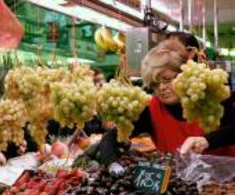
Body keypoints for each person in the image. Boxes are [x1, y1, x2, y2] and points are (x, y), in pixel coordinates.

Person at [97, 39, 235, 166]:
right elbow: (110, 137)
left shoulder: (212, 97)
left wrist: (207, 140)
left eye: (167, 79)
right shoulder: (151, 109)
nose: (161, 88)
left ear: (184, 74)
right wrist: (112, 163)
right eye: (155, 84)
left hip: (225, 182)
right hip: (183, 186)